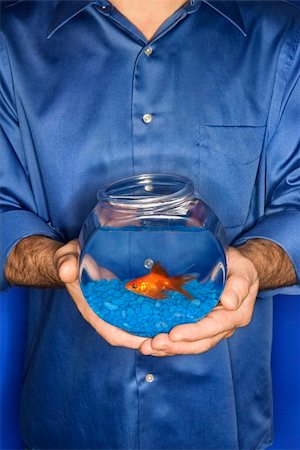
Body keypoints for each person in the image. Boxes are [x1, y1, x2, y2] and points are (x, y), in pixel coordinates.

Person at [1, 0, 299, 448]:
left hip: (223, 424)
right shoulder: (9, 41)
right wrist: (59, 263)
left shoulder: (283, 37)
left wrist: (254, 265)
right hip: (69, 420)